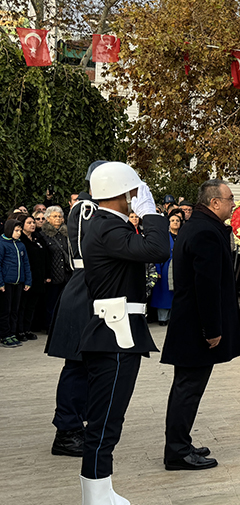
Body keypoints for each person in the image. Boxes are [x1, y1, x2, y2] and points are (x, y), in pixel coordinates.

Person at [77, 162, 169, 503]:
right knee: (105, 422)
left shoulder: (104, 225)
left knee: (109, 418)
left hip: (118, 330)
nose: (136, 196)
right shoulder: (107, 228)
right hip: (113, 334)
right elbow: (159, 250)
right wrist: (151, 214)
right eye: (133, 191)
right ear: (120, 193)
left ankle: (100, 490)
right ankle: (96, 495)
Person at [161, 179, 240, 471]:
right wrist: (213, 329)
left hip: (189, 323)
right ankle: (176, 452)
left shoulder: (198, 225)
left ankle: (180, 443)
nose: (233, 204)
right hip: (196, 327)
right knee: (188, 389)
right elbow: (206, 285)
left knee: (186, 387)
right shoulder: (205, 232)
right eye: (230, 198)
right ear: (215, 203)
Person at [45, 162, 104, 459]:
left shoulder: (93, 207)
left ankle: (74, 425)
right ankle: (66, 430)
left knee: (85, 366)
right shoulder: (87, 208)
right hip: (84, 288)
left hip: (88, 288)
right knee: (76, 366)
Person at [0, 219, 32, 348]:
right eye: (16, 231)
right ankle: (5, 335)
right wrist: (1, 282)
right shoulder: (2, 244)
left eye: (19, 231)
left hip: (19, 282)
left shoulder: (20, 245)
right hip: (6, 283)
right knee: (5, 310)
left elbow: (26, 264)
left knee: (15, 309)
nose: (19, 233)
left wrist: (28, 280)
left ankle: (12, 333)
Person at [152, 209, 185, 326]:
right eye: (172, 220)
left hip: (179, 266)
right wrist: (158, 270)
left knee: (176, 292)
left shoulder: (183, 236)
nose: (175, 222)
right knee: (163, 292)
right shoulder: (164, 237)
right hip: (165, 267)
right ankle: (162, 318)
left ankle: (174, 317)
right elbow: (158, 253)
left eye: (177, 220)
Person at [42, 205, 73, 327]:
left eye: (60, 216)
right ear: (48, 218)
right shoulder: (43, 235)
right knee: (51, 302)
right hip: (52, 275)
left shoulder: (66, 234)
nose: (58, 219)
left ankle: (63, 325)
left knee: (64, 302)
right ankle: (50, 326)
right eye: (54, 216)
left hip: (66, 273)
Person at [19, 215, 49, 341]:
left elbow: (45, 256)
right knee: (22, 306)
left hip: (38, 278)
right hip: (26, 278)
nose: (32, 225)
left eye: (33, 222)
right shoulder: (21, 240)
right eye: (29, 223)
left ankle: (27, 329)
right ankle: (19, 330)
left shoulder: (38, 238)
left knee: (32, 306)